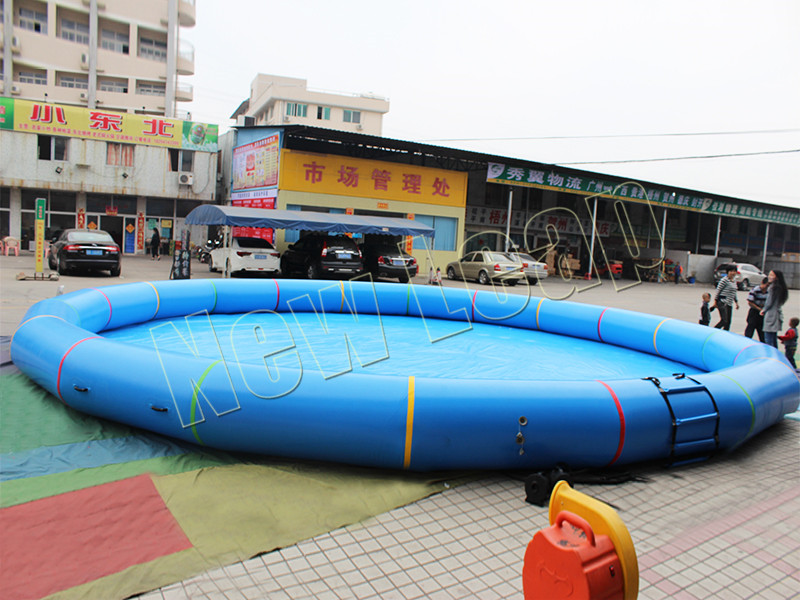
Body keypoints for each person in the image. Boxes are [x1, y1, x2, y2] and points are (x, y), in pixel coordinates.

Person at [761, 269, 789, 348]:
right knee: (773, 338)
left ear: (776, 277)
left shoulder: (772, 288)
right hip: (777, 314)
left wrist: (764, 310)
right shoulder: (781, 288)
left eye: (772, 275)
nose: (769, 277)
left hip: (771, 315)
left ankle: (770, 356)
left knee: (768, 338)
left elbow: (769, 302)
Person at [743, 277, 769, 342]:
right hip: (754, 312)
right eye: (766, 285)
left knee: (762, 333)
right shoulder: (755, 290)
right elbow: (750, 302)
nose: (767, 287)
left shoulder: (769, 292)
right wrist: (759, 309)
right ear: (762, 283)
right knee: (750, 330)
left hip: (762, 313)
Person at [713, 266, 739, 330]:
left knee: (728, 322)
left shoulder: (734, 281)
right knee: (724, 320)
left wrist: (736, 302)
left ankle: (725, 335)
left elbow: (734, 292)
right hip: (722, 302)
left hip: (729, 303)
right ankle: (713, 331)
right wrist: (715, 301)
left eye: (734, 271)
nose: (733, 273)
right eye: (731, 271)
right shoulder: (724, 280)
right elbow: (718, 291)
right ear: (728, 272)